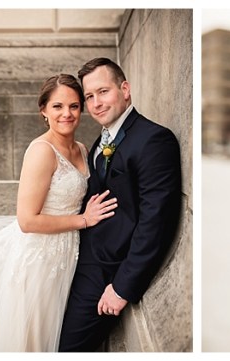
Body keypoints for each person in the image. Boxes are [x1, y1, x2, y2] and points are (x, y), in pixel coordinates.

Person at [0, 74, 118, 351]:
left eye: (73, 106)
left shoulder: (82, 149)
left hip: (67, 253)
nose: (67, 114)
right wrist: (84, 220)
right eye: (57, 106)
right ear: (44, 111)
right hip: (37, 259)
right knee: (32, 337)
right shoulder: (41, 151)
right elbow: (27, 220)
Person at [58, 58, 182, 351]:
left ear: (125, 89)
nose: (96, 103)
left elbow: (156, 222)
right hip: (78, 261)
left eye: (103, 91)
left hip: (108, 274)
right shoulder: (99, 142)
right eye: (89, 97)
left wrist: (122, 287)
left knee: (67, 349)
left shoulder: (154, 140)